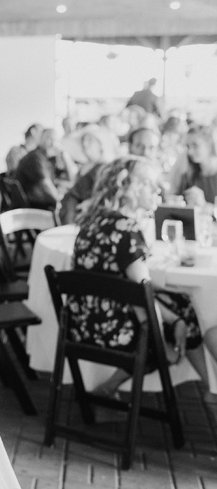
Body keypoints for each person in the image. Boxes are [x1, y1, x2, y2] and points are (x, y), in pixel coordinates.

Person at [71, 156, 214, 397]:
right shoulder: (126, 230)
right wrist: (164, 342)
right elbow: (142, 296)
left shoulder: (92, 220)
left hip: (81, 322)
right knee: (183, 309)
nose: (157, 190)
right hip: (113, 331)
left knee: (178, 306)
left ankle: (108, 387)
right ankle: (211, 388)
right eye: (149, 184)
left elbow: (132, 285)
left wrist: (173, 318)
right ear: (126, 188)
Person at [13, 128, 61, 211]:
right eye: (49, 139)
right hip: (33, 207)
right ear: (40, 140)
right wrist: (61, 201)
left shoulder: (44, 157)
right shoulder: (35, 158)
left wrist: (64, 154)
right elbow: (46, 186)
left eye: (55, 140)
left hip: (32, 203)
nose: (53, 143)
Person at [176, 125, 217, 207]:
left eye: (195, 145)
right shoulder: (189, 175)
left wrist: (204, 205)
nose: (190, 152)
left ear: (208, 145)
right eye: (188, 146)